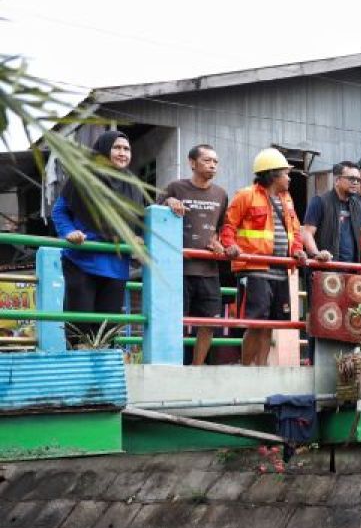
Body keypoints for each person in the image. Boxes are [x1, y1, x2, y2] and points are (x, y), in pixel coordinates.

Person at [52, 130, 147, 347]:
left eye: (126, 149)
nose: (123, 153)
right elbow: (60, 210)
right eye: (117, 148)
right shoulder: (83, 176)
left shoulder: (133, 184)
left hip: (116, 263)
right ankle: (78, 374)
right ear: (103, 150)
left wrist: (137, 237)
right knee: (80, 325)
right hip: (81, 260)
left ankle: (102, 377)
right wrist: (69, 232)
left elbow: (141, 219)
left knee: (107, 328)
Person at [220, 148, 308, 366]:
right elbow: (228, 226)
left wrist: (297, 249)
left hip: (280, 270)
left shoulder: (287, 200)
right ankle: (247, 369)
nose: (289, 178)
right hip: (254, 268)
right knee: (255, 323)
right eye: (286, 173)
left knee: (269, 324)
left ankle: (261, 370)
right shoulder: (245, 195)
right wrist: (229, 246)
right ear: (273, 174)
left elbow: (295, 231)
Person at [161, 144, 228, 365]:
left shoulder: (221, 194)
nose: (213, 165)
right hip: (179, 268)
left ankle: (196, 368)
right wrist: (168, 202)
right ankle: (173, 367)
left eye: (215, 162)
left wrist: (219, 242)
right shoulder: (175, 188)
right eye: (207, 160)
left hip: (209, 270)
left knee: (209, 322)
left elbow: (223, 227)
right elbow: (153, 215)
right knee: (175, 321)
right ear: (192, 163)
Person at [301, 161, 361, 264]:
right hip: (326, 268)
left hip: (352, 269)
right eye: (351, 179)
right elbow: (307, 233)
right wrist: (317, 254)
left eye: (358, 180)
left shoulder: (357, 205)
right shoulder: (320, 201)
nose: (355, 182)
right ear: (337, 180)